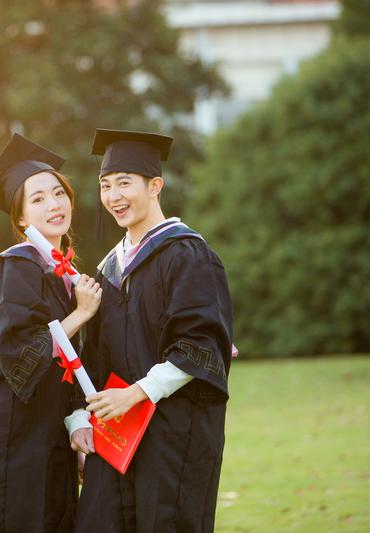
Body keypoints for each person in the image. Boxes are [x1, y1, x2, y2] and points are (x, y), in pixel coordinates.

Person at [66, 129, 233, 532]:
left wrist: (135, 394)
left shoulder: (187, 255)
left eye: (124, 183)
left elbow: (200, 345)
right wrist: (79, 418)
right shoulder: (109, 269)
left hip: (172, 434)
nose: (113, 196)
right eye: (105, 185)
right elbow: (93, 353)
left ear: (155, 186)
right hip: (117, 436)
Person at [0, 133, 102, 533]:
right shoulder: (12, 269)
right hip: (7, 444)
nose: (54, 205)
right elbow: (21, 356)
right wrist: (81, 314)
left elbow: (72, 365)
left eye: (58, 193)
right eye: (37, 199)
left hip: (45, 439)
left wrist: (77, 423)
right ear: (19, 218)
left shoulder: (61, 274)